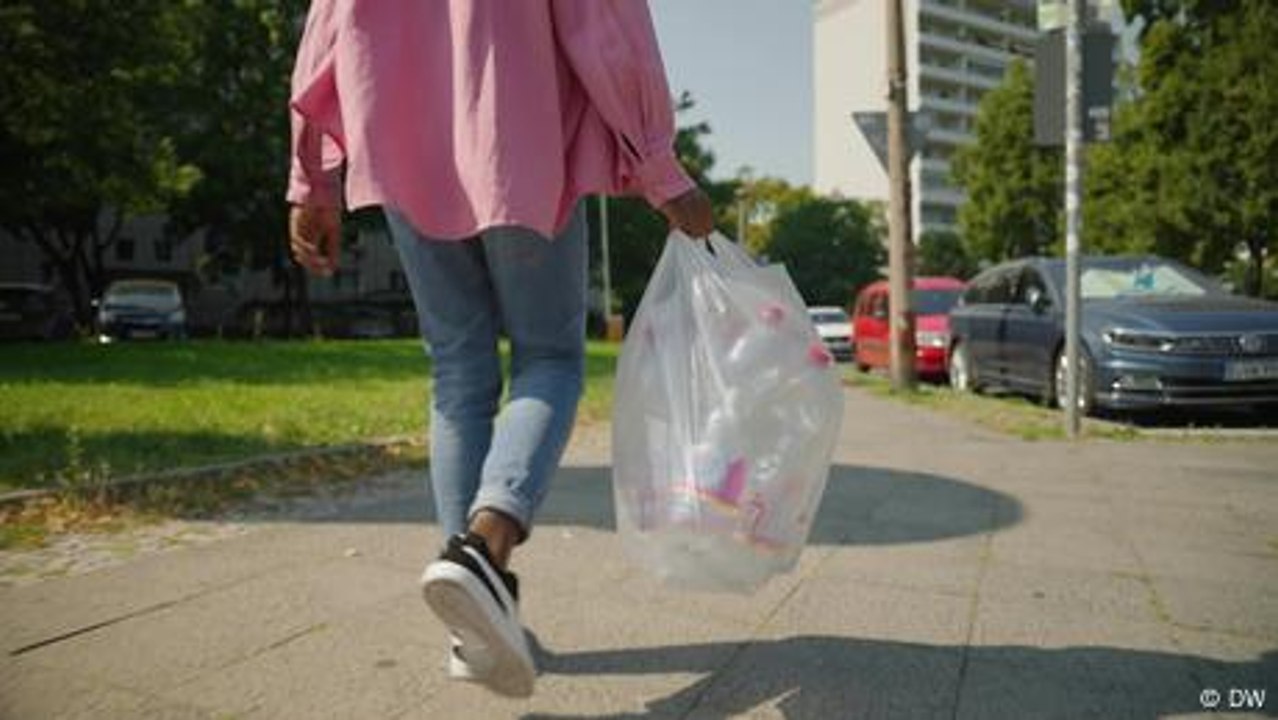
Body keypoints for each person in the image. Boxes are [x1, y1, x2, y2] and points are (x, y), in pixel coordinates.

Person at [285, 0, 714, 699]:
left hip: (398, 142)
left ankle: (473, 624)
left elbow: (323, 31)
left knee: (458, 372)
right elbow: (604, 26)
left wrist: (311, 180)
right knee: (549, 359)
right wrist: (660, 166)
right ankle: (486, 546)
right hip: (519, 137)